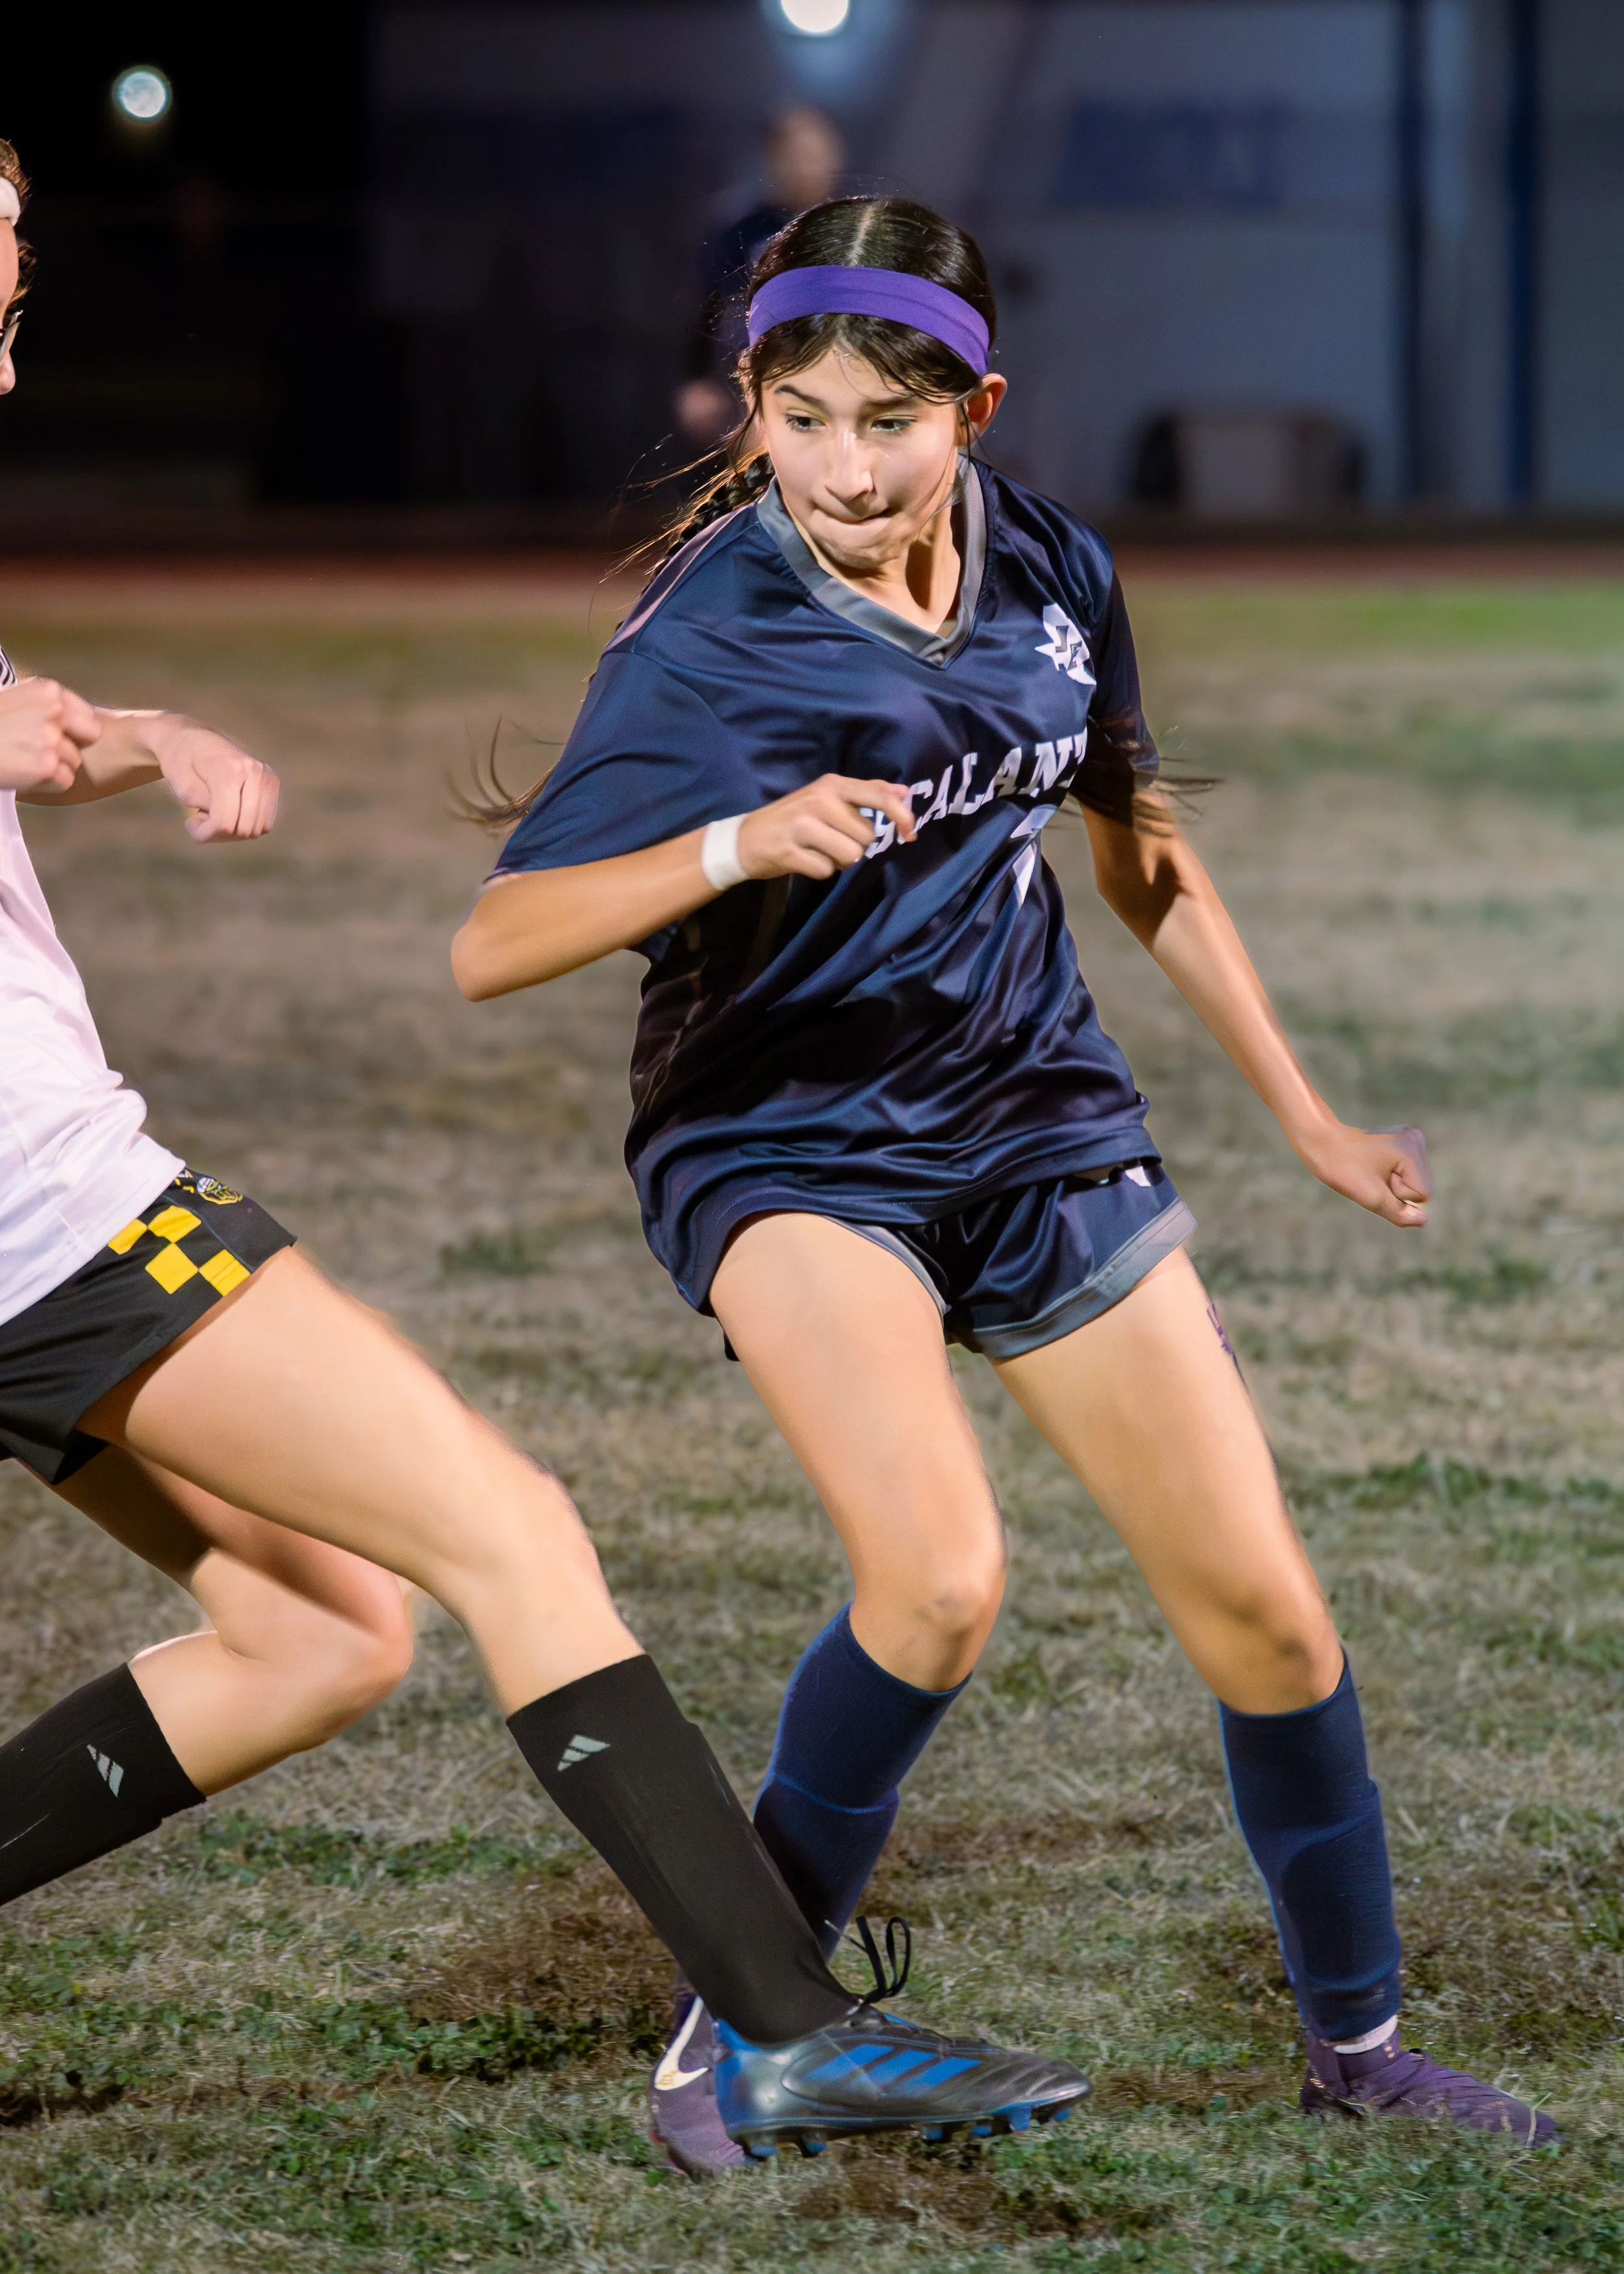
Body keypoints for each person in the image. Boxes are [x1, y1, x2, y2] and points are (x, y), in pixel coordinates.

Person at [0, 145, 1089, 2165]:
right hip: (45, 1217)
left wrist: (140, 732)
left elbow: (23, 724)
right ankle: (778, 2031)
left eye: (9, 304)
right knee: (508, 1532)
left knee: (322, 1632)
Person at [453, 192, 1558, 2176]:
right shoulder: (710, 625)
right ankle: (741, 2032)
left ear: (973, 408)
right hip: (783, 1134)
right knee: (939, 1579)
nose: (841, 469)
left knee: (1267, 1618)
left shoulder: (1050, 563)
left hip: (1034, 1114)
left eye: (887, 423)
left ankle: (1361, 2048)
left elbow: (1134, 843)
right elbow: (493, 939)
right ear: (751, 406)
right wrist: (732, 846)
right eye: (799, 419)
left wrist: (1301, 1110)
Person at [674, 105, 844, 447]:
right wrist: (696, 379)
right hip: (757, 377)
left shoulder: (851, 227)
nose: (808, 166)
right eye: (797, 154)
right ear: (774, 158)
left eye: (817, 154)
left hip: (839, 374)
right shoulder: (742, 228)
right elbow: (706, 304)